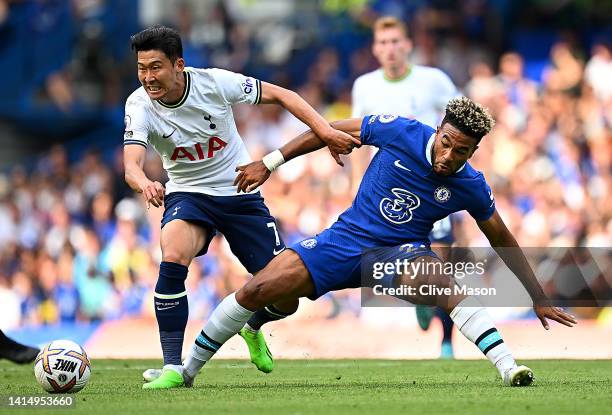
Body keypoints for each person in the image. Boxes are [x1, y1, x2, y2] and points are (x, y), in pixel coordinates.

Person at [177, 97, 577, 389]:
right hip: (344, 240)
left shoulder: (470, 185)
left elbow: (502, 238)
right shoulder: (398, 130)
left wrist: (537, 297)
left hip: (396, 255)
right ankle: (187, 371)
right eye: (446, 142)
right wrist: (270, 163)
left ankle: (510, 368)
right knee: (257, 289)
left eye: (461, 151)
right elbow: (326, 130)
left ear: (474, 151)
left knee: (445, 285)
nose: (449, 155)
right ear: (438, 130)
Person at [122, 25, 359, 390]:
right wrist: (146, 182)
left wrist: (325, 131)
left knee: (287, 297)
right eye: (142, 68)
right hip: (189, 194)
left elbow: (284, 95)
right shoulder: (139, 104)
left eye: (156, 67)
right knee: (173, 251)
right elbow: (131, 166)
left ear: (178, 65)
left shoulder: (215, 83)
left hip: (240, 191)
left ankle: (252, 326)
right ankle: (172, 366)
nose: (148, 77)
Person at [351, 16, 460, 358]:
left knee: (443, 265)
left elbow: (460, 122)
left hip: (433, 187)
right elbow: (356, 138)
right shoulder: (365, 86)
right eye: (383, 43)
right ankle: (419, 299)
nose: (390, 49)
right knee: (389, 262)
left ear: (408, 45)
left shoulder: (433, 80)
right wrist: (356, 184)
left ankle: (446, 342)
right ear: (375, 49)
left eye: (396, 41)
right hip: (387, 191)